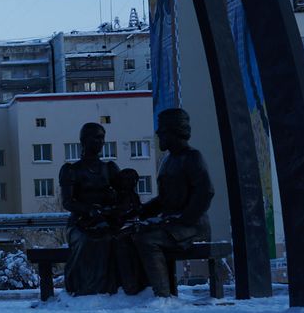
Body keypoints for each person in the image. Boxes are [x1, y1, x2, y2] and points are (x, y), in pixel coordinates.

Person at [131, 108, 215, 297]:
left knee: (147, 240)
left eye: (162, 129)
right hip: (174, 224)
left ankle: (162, 296)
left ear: (173, 130)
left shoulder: (193, 157)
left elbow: (206, 192)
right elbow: (164, 200)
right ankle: (137, 290)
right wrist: (141, 211)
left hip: (194, 227)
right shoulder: (168, 161)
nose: (158, 133)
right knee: (132, 234)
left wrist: (183, 220)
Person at [57, 122, 121, 295]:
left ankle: (110, 288)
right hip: (79, 223)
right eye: (96, 137)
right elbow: (68, 202)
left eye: (102, 138)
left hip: (105, 221)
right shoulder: (72, 170)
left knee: (114, 239)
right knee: (86, 240)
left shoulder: (109, 169)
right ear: (84, 140)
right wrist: (88, 209)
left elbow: (123, 195)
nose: (101, 142)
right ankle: (82, 287)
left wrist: (112, 204)